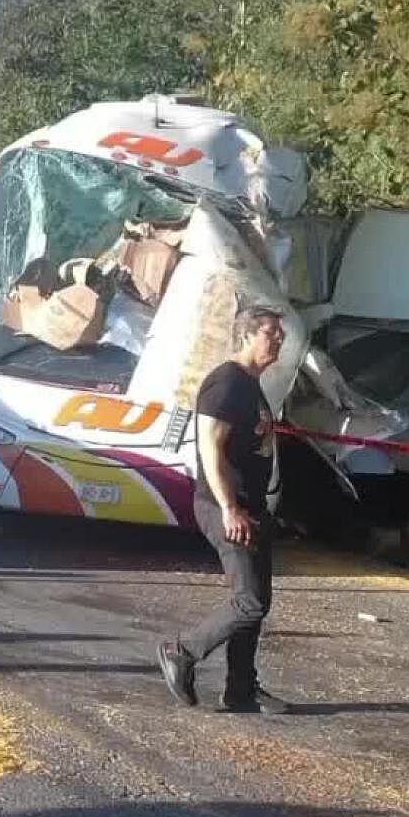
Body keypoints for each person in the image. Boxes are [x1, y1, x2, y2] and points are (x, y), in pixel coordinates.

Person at [158, 305, 293, 714]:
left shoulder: (252, 386)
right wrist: (229, 508)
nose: (279, 339)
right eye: (271, 332)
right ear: (247, 335)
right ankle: (180, 652)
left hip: (251, 506)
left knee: (257, 602)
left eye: (279, 333)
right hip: (223, 506)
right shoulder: (227, 382)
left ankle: (241, 690)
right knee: (248, 601)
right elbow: (209, 449)